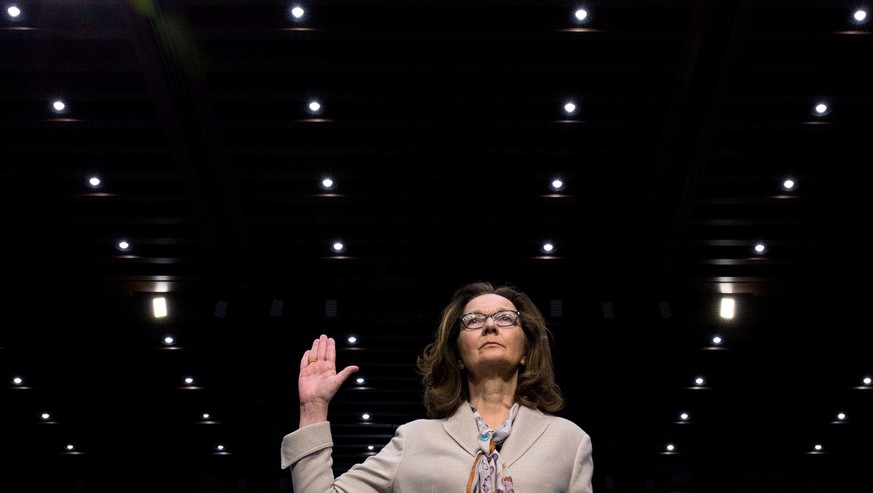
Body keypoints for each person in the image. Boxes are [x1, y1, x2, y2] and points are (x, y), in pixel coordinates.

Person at [280, 281, 594, 492]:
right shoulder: (413, 440)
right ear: (457, 356)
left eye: (505, 318)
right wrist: (313, 410)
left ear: (526, 352)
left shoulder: (569, 441)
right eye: (472, 320)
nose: (489, 325)